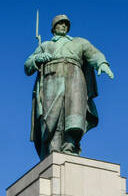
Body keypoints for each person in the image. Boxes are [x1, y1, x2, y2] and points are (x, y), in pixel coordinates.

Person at [24, 14, 114, 159]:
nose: (64, 26)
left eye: (66, 24)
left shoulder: (79, 42)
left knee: (74, 114)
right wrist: (37, 58)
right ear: (53, 28)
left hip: (75, 78)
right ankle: (53, 149)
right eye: (60, 23)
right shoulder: (45, 45)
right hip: (51, 79)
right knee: (52, 117)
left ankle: (69, 146)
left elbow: (94, 54)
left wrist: (102, 63)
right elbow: (27, 66)